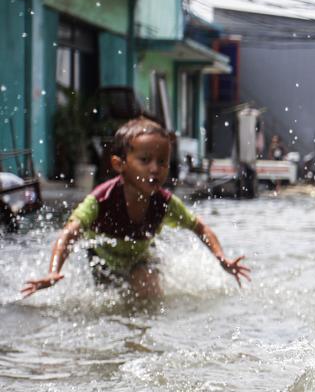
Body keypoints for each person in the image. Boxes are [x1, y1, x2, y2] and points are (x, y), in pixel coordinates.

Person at [21, 117, 251, 299]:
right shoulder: (101, 200)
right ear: (119, 164)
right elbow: (68, 234)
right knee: (110, 307)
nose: (155, 169)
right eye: (145, 160)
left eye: (162, 162)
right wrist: (53, 271)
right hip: (102, 262)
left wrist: (221, 258)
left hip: (140, 259)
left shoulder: (165, 202)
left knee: (148, 286)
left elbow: (200, 227)